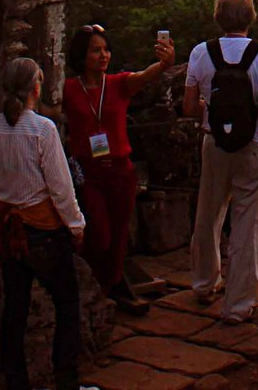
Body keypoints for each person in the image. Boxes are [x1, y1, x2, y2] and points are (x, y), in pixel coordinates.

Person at [0, 57, 102, 390]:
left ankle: (16, 382)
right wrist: (76, 225)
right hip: (43, 231)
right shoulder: (42, 129)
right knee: (67, 304)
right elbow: (61, 188)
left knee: (14, 309)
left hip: (9, 230)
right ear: (36, 87)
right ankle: (67, 382)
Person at [184, 0, 258, 323]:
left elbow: (188, 107)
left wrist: (209, 108)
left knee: (208, 212)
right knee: (247, 223)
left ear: (218, 17)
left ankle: (203, 282)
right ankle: (238, 305)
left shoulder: (202, 53)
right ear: (251, 18)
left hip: (214, 143)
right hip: (254, 144)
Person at [61, 24, 177, 316]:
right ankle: (94, 284)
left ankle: (109, 287)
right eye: (95, 50)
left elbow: (146, 76)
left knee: (119, 233)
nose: (103, 56)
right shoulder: (69, 89)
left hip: (120, 171)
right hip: (89, 172)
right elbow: (51, 113)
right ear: (82, 55)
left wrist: (164, 63)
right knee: (98, 233)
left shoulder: (118, 85)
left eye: (106, 49)